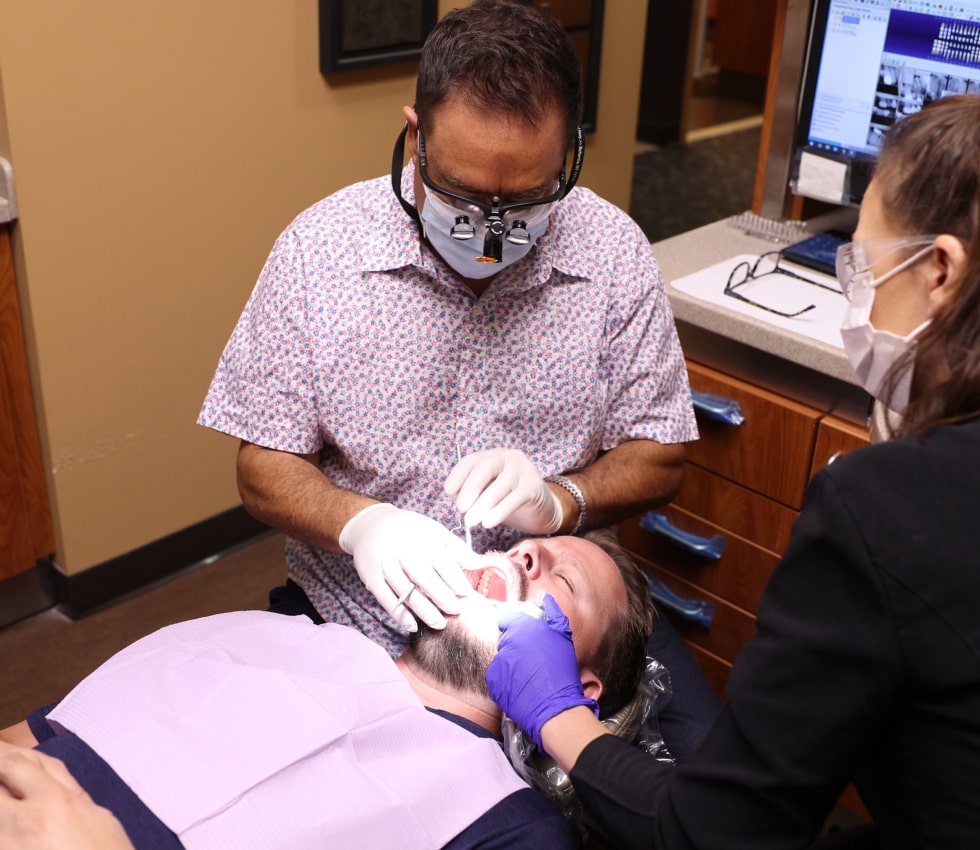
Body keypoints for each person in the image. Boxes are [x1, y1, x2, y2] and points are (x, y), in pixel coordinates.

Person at [484, 94, 980, 849]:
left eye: (866, 265)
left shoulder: (886, 507)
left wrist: (555, 715)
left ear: (940, 269)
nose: (861, 298)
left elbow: (717, 832)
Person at [196, 0, 696, 660]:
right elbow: (263, 466)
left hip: (553, 625)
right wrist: (362, 525)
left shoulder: (613, 254)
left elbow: (659, 455)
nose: (489, 233)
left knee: (687, 757)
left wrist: (561, 501)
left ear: (568, 155)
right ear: (415, 140)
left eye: (522, 199)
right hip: (358, 615)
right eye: (461, 194)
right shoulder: (319, 251)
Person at [0, 531, 653, 850]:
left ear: (579, 686)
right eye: (516, 548)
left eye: (563, 585)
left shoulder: (513, 830)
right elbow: (21, 742)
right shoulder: (252, 635)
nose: (525, 555)